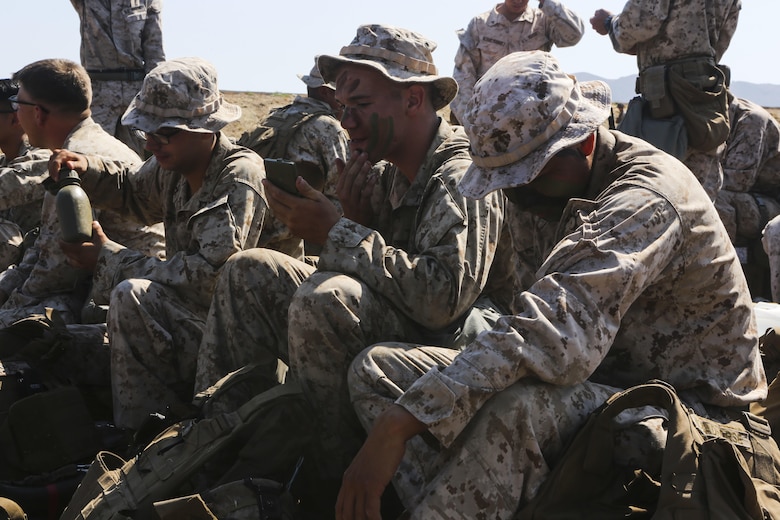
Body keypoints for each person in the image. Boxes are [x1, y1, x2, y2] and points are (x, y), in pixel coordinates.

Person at [338, 51, 766, 520]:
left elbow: (555, 336)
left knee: (518, 412)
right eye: (506, 181)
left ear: (582, 143)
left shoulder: (645, 198)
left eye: (527, 178)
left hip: (692, 417)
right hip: (597, 382)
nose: (516, 195)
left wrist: (405, 420)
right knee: (379, 372)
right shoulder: (543, 190)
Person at [194, 23, 513, 495]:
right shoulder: (383, 171)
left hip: (460, 352)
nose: (346, 121)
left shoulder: (460, 175)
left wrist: (338, 232)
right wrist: (357, 223)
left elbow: (443, 300)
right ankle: (219, 450)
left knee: (327, 300)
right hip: (409, 331)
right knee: (251, 270)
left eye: (361, 106)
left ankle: (326, 485)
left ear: (412, 100)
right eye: (343, 108)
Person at [48, 57, 268, 431]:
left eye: (164, 131)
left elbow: (209, 278)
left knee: (131, 295)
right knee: (60, 344)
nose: (151, 142)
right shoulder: (176, 165)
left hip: (240, 340)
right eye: (146, 131)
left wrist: (110, 259)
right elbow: (132, 192)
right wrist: (87, 166)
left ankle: (146, 441)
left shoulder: (237, 176)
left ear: (206, 128)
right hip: (195, 322)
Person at [0, 59, 164, 328]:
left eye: (19, 105)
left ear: (38, 113)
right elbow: (45, 248)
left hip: (122, 304)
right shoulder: (88, 143)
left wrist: (9, 306)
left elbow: (55, 271)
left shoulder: (73, 163)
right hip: (110, 287)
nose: (16, 114)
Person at [591, 0, 741, 201]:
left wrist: (609, 22)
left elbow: (634, 28)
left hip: (664, 104)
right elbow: (720, 41)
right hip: (706, 99)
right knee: (699, 199)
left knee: (648, 192)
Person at [237, 59, 349, 256]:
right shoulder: (327, 127)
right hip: (297, 242)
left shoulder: (275, 116)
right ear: (325, 92)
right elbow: (341, 193)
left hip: (254, 232)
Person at [449, 0, 584, 125]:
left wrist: (546, 1)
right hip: (488, 118)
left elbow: (574, 35)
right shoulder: (479, 25)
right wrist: (469, 122)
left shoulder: (543, 21)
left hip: (533, 117)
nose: (518, 1)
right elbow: (464, 75)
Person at [71, 0, 165, 156]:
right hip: (98, 95)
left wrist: (154, 97)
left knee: (142, 160)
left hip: (135, 95)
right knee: (93, 156)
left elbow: (155, 50)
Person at [715, 95, 780, 300]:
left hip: (768, 201)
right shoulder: (690, 120)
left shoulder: (750, 120)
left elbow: (736, 182)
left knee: (714, 204)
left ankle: (722, 284)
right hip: (742, 197)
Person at [0, 79, 47, 271]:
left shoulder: (43, 157)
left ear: (15, 119)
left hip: (39, 266)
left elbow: (4, 186)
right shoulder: (5, 162)